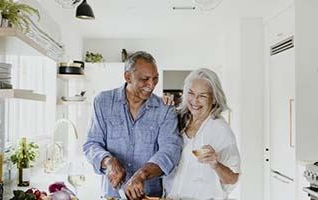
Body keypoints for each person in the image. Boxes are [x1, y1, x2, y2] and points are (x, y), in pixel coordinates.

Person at [83, 51, 182, 200]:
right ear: (128, 77)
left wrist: (142, 174)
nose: (151, 85)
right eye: (145, 79)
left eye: (155, 79)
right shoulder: (102, 102)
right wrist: (108, 161)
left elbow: (170, 150)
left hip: (149, 195)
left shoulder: (165, 109)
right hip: (112, 196)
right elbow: (92, 144)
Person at [163, 68, 241, 199]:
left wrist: (216, 164)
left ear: (214, 99)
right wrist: (162, 107)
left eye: (202, 96)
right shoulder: (177, 119)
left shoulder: (220, 130)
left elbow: (232, 179)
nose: (194, 100)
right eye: (191, 93)